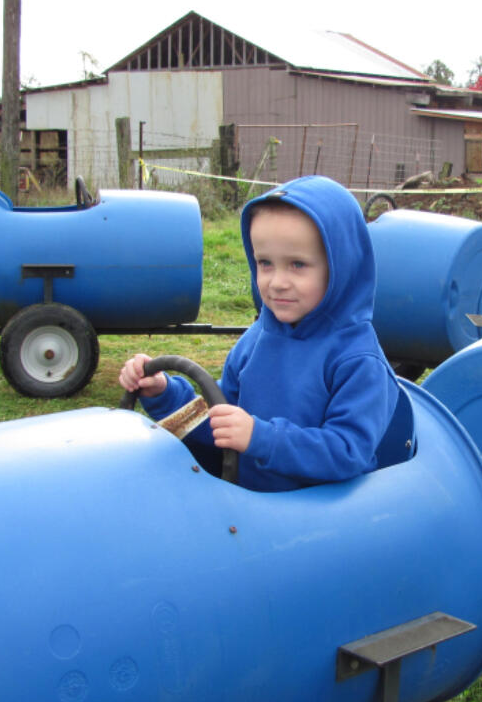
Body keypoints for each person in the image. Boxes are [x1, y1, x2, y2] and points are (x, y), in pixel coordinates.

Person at [118, 175, 400, 492]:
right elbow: (222, 417)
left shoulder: (358, 360)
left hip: (323, 517)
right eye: (265, 263)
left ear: (341, 267)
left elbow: (348, 452)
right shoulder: (258, 339)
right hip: (250, 508)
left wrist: (260, 438)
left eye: (297, 264)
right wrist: (164, 393)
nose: (277, 282)